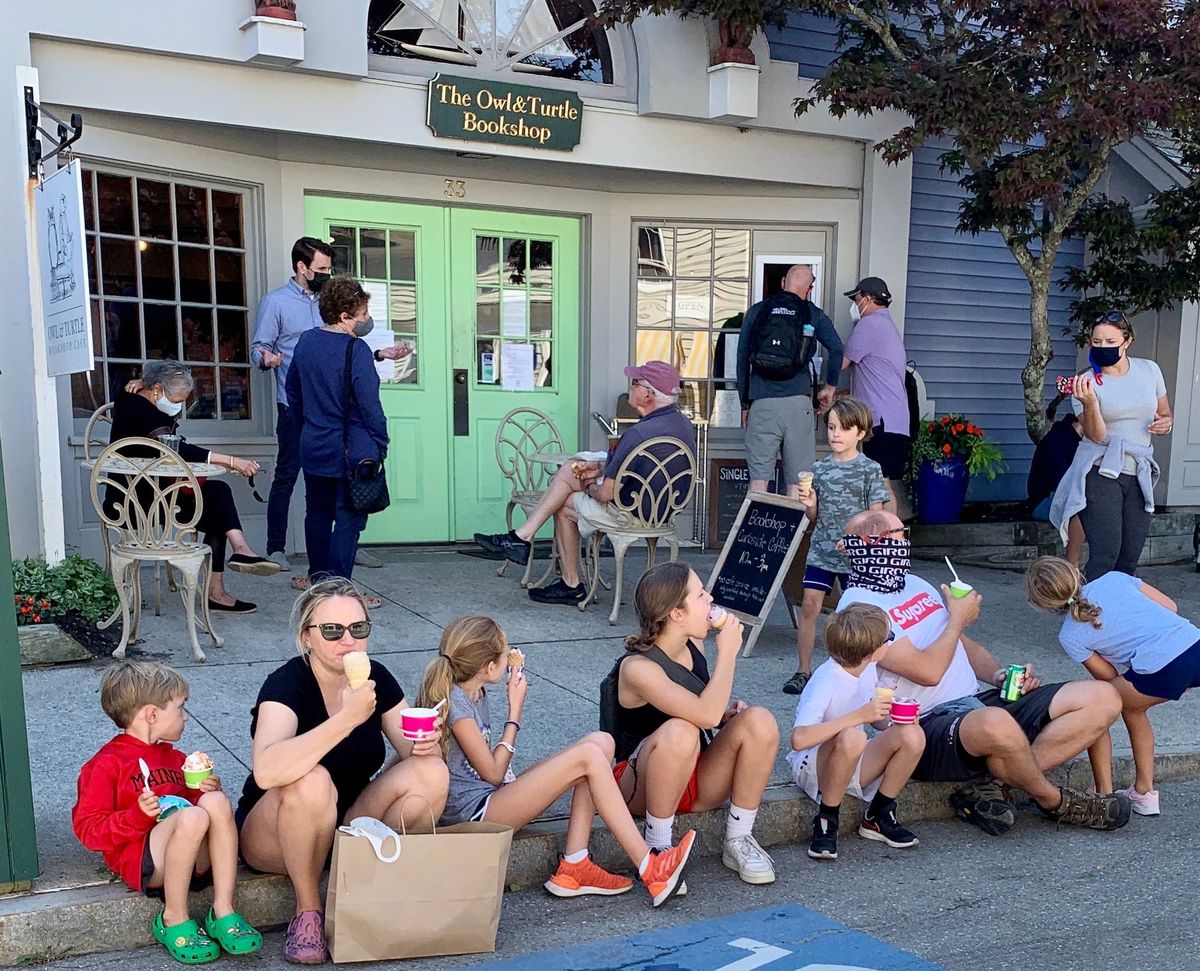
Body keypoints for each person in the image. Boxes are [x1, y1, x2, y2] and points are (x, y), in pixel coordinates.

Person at [836, 509, 1132, 834]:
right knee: (995, 721)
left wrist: (999, 675)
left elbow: (964, 646)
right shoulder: (859, 609)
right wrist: (957, 618)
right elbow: (928, 672)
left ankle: (997, 784)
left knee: (1103, 696)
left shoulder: (914, 584)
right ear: (874, 543)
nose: (906, 542)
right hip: (922, 726)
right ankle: (1055, 801)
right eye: (900, 535)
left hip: (975, 704)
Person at [235, 579, 449, 964]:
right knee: (311, 780)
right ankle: (308, 912)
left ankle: (375, 888)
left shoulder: (375, 678)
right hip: (276, 832)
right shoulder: (286, 684)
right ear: (307, 637)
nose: (347, 640)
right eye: (332, 631)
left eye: (358, 629)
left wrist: (427, 744)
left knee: (431, 773)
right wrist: (347, 719)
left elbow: (412, 753)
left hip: (348, 822)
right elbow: (266, 771)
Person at [416, 616, 696, 907]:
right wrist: (515, 710)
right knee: (588, 757)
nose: (508, 657)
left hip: (491, 796)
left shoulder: (474, 692)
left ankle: (575, 864)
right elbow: (493, 772)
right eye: (504, 653)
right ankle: (652, 869)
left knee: (601, 742)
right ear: (488, 667)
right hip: (475, 815)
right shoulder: (457, 704)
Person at [73, 661, 262, 965]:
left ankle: (223, 910)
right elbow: (88, 830)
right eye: (180, 707)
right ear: (152, 714)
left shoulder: (176, 759)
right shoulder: (106, 764)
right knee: (194, 816)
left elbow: (187, 805)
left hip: (193, 860)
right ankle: (173, 917)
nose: (185, 716)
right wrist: (135, 816)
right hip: (148, 865)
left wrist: (202, 792)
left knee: (215, 802)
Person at [610, 562, 780, 885]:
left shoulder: (694, 644)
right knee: (681, 731)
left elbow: (707, 713)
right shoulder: (637, 668)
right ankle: (657, 847)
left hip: (694, 775)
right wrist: (728, 654)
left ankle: (739, 839)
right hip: (641, 786)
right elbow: (704, 716)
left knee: (759, 720)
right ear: (676, 613)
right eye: (701, 595)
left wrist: (726, 718)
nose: (710, 599)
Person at [474, 361, 695, 605]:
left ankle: (564, 577)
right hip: (663, 511)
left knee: (565, 494)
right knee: (570, 479)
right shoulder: (682, 425)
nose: (630, 388)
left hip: (630, 514)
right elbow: (645, 467)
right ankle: (523, 538)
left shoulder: (637, 434)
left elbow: (606, 494)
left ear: (648, 395)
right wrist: (600, 468)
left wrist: (587, 483)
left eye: (635, 383)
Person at [1026, 555, 1200, 816]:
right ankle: (1142, 793)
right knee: (1132, 709)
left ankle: (1106, 793)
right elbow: (1170, 607)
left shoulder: (1070, 635)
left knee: (1095, 704)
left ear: (1043, 604)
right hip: (1194, 645)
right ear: (1075, 572)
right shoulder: (1114, 579)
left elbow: (1107, 677)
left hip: (1163, 667)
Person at [109, 360, 279, 613]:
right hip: (135, 501)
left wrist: (139, 383)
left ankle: (238, 553)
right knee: (217, 500)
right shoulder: (140, 410)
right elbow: (177, 450)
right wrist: (231, 461)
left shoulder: (134, 399)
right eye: (177, 400)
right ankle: (226, 576)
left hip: (157, 493)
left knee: (217, 497)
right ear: (157, 389)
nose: (179, 407)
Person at [286, 277, 407, 606]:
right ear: (344, 316)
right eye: (363, 313)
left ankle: (318, 582)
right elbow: (370, 407)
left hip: (314, 443)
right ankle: (338, 591)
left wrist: (308, 425)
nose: (367, 319)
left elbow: (293, 391)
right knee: (348, 520)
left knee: (317, 514)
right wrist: (381, 442)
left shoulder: (306, 342)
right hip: (352, 450)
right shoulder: (357, 350)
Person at [788, 604, 925, 861]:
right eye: (889, 637)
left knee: (913, 735)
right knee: (853, 735)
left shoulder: (868, 668)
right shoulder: (827, 679)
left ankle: (879, 814)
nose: (891, 641)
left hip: (851, 759)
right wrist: (858, 717)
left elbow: (874, 721)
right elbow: (799, 739)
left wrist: (893, 720)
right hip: (813, 767)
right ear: (873, 651)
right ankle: (827, 819)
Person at [1052, 311, 1173, 580]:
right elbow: (1095, 435)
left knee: (1129, 556)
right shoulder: (1085, 383)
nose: (1102, 347)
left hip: (1138, 470)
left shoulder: (1150, 370)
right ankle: (1088, 605)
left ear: (1127, 341)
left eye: (1110, 341)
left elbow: (1164, 413)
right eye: (1096, 342)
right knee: (1106, 553)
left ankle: (1117, 605)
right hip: (1101, 469)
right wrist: (1090, 403)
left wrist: (1166, 424)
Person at [788, 397, 891, 695]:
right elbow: (814, 516)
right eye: (832, 427)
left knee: (857, 614)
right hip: (822, 549)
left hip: (856, 556)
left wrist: (857, 541)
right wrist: (810, 503)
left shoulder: (869, 469)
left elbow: (876, 517)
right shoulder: (819, 469)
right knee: (809, 605)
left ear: (861, 433)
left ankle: (858, 673)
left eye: (844, 429)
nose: (835, 434)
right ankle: (803, 670)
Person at [736, 265, 842, 497]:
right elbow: (836, 348)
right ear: (809, 290)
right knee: (797, 483)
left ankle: (757, 522)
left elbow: (742, 359)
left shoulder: (758, 311)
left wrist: (745, 403)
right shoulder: (812, 313)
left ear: (783, 282)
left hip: (762, 402)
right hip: (798, 404)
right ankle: (791, 522)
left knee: (758, 483)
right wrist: (829, 388)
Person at [840, 277, 911, 516]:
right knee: (882, 483)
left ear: (868, 299)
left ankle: (886, 535)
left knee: (880, 485)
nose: (855, 304)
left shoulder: (869, 325)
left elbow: (842, 364)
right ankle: (885, 533)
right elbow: (872, 381)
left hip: (882, 422)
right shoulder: (886, 326)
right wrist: (839, 396)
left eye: (857, 299)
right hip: (894, 420)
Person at [1027, 399, 1084, 567]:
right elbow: (1061, 483)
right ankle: (1072, 564)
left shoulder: (1085, 442)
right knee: (1084, 509)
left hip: (1067, 497)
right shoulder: (1057, 439)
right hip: (1045, 501)